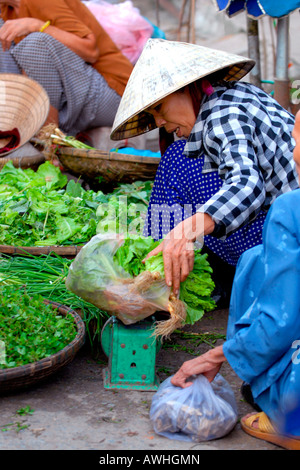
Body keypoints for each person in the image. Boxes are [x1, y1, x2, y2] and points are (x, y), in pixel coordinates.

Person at [110, 39, 299, 304]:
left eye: (159, 111)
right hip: (281, 227)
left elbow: (246, 184)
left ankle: (165, 269)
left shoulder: (224, 115)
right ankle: (165, 262)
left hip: (286, 239)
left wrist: (184, 231)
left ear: (186, 90)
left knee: (177, 159)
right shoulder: (232, 95)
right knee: (180, 155)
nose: (161, 124)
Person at [169, 110, 300, 450]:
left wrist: (213, 357)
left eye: (296, 139)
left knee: (255, 264)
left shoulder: (291, 208)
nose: (290, 151)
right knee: (258, 259)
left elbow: (281, 321)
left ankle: (292, 418)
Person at [0, 0, 133, 137]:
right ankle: (13, 129)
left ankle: (48, 141)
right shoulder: (6, 9)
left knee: (35, 44)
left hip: (115, 94)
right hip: (73, 95)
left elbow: (91, 52)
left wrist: (36, 25)